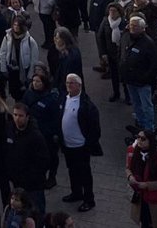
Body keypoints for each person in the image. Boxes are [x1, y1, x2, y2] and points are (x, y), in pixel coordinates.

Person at [58, 74, 101, 213]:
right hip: (67, 145)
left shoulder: (87, 105)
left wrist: (89, 143)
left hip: (81, 146)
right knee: (72, 171)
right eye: (67, 82)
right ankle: (76, 193)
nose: (69, 85)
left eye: (72, 83)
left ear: (79, 85)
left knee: (85, 174)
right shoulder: (64, 98)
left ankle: (89, 199)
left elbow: (95, 128)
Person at [125, 130, 157, 228]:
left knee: (155, 223)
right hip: (140, 198)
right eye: (138, 137)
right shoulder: (133, 152)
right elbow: (128, 168)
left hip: (154, 200)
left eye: (143, 139)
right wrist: (130, 176)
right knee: (144, 222)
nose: (139, 140)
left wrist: (147, 185)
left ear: (150, 141)